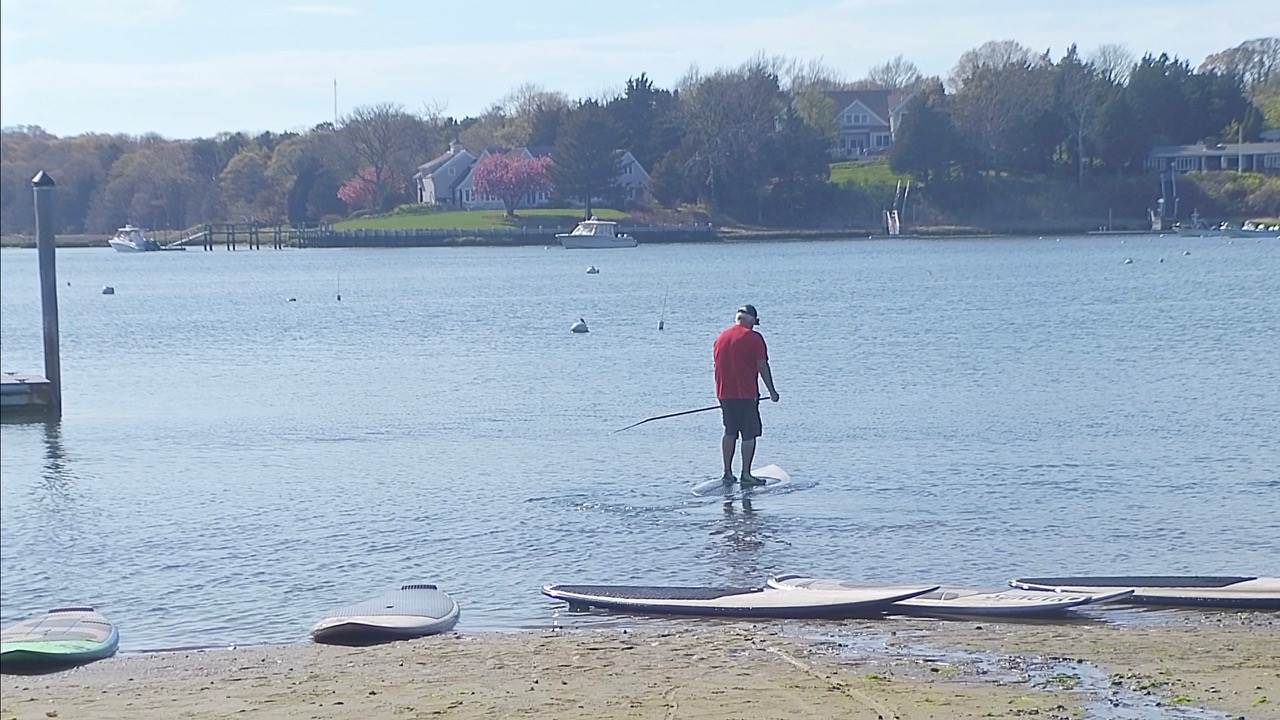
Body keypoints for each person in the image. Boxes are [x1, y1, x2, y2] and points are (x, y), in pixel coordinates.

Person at [712, 304, 779, 485]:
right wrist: (772, 392)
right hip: (746, 394)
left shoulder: (720, 337)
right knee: (749, 434)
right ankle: (746, 474)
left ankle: (727, 473)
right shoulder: (754, 338)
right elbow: (762, 365)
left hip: (724, 394)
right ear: (751, 319)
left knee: (730, 431)